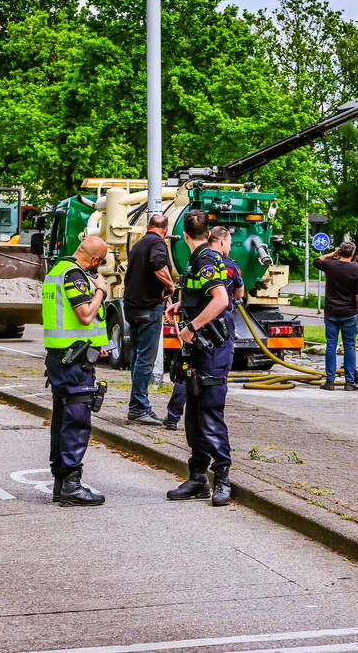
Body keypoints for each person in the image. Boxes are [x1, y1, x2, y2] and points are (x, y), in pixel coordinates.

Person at [164, 211, 235, 506]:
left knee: (209, 413)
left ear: (184, 235)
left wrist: (191, 327)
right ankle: (197, 478)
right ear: (207, 233)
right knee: (194, 415)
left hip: (212, 348)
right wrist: (182, 305)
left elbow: (221, 300)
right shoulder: (198, 259)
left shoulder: (205, 260)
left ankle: (222, 479)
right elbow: (204, 295)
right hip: (200, 349)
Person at [42, 236, 112, 506]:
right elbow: (84, 315)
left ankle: (61, 482)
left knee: (61, 420)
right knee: (76, 421)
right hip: (74, 363)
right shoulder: (75, 275)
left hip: (61, 358)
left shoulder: (57, 270)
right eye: (100, 262)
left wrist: (96, 344)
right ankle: (71, 485)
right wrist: (101, 291)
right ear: (95, 260)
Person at [163, 226, 243, 431]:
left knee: (188, 372)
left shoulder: (196, 261)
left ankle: (173, 416)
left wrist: (183, 307)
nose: (230, 247)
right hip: (216, 328)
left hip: (193, 325)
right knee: (214, 381)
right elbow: (238, 294)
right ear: (222, 242)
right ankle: (210, 429)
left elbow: (193, 293)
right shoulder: (228, 266)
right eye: (229, 243)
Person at [123, 214, 175, 425]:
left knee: (137, 358)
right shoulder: (157, 243)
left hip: (132, 307)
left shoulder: (139, 244)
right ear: (165, 230)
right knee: (145, 360)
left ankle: (140, 405)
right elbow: (157, 263)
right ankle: (138, 408)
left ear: (148, 226)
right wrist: (170, 285)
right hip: (148, 308)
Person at [314, 242, 358, 391]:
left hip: (331, 312)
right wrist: (355, 305)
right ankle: (349, 383)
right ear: (353, 254)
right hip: (349, 313)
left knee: (331, 345)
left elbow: (316, 261)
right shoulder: (355, 269)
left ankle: (330, 382)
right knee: (349, 346)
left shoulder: (330, 265)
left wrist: (332, 254)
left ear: (339, 252)